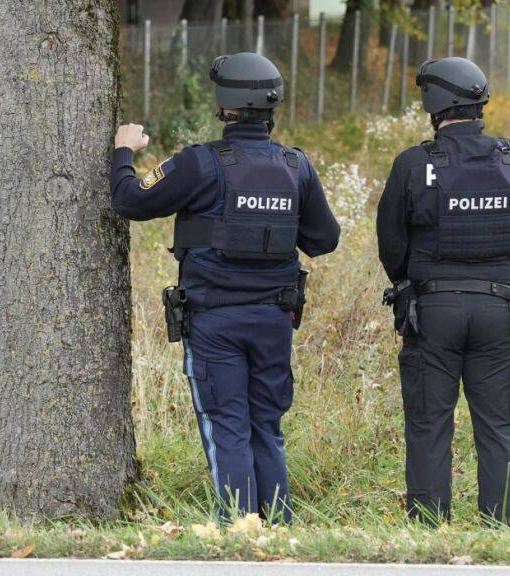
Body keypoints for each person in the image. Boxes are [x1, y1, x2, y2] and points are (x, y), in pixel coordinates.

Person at [110, 52, 340, 524]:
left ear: (224, 105)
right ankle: (276, 529)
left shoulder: (199, 164)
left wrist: (123, 152)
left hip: (214, 322)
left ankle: (237, 529)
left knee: (227, 427)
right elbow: (324, 239)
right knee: (266, 427)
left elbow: (129, 200)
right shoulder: (296, 165)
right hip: (274, 320)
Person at [376, 57, 510, 527]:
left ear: (433, 103)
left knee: (428, 425)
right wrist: (496, 255)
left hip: (431, 311)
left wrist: (423, 272)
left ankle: (429, 526)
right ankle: (504, 528)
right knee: (498, 427)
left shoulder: (413, 164)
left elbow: (390, 244)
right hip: (497, 306)